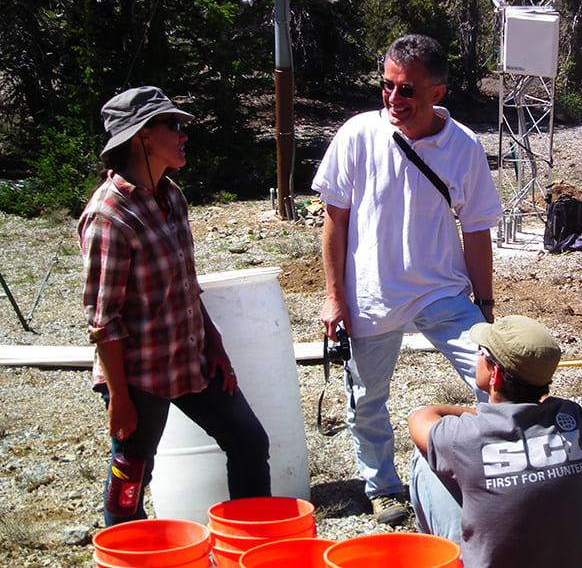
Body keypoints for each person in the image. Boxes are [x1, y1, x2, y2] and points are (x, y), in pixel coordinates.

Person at [312, 34, 503, 525]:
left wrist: (484, 304)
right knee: (368, 398)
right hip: (372, 293)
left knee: (495, 377)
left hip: (442, 290)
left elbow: (477, 229)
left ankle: (488, 472)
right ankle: (382, 486)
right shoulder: (357, 135)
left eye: (407, 90)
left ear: (437, 93)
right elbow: (335, 219)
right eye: (387, 86)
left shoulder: (463, 147)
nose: (394, 99)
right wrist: (335, 298)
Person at [79, 86, 271, 526]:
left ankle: (251, 543)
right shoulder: (109, 216)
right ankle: (127, 549)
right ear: (141, 137)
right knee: (130, 479)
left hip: (190, 359)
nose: (184, 133)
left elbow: (186, 286)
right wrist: (120, 399)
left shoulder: (172, 197)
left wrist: (215, 344)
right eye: (173, 125)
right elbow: (103, 322)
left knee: (248, 440)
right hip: (139, 374)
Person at [407, 315, 582, 568]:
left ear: (494, 374)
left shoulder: (466, 436)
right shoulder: (573, 418)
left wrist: (484, 417)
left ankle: (439, 558)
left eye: (481, 352)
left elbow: (419, 418)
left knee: (424, 456)